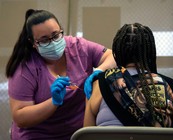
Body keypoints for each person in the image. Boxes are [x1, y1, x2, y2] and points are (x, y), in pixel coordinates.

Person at [5, 9, 116, 140]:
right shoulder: (25, 67)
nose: (52, 42)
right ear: (33, 43)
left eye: (56, 35)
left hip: (76, 134)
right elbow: (20, 117)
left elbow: (112, 56)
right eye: (44, 40)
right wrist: (54, 102)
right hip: (38, 136)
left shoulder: (78, 46)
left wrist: (97, 72)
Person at [83, 23, 173, 128]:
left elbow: (86, 134)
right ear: (149, 52)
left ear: (117, 53)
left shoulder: (99, 84)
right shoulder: (170, 86)